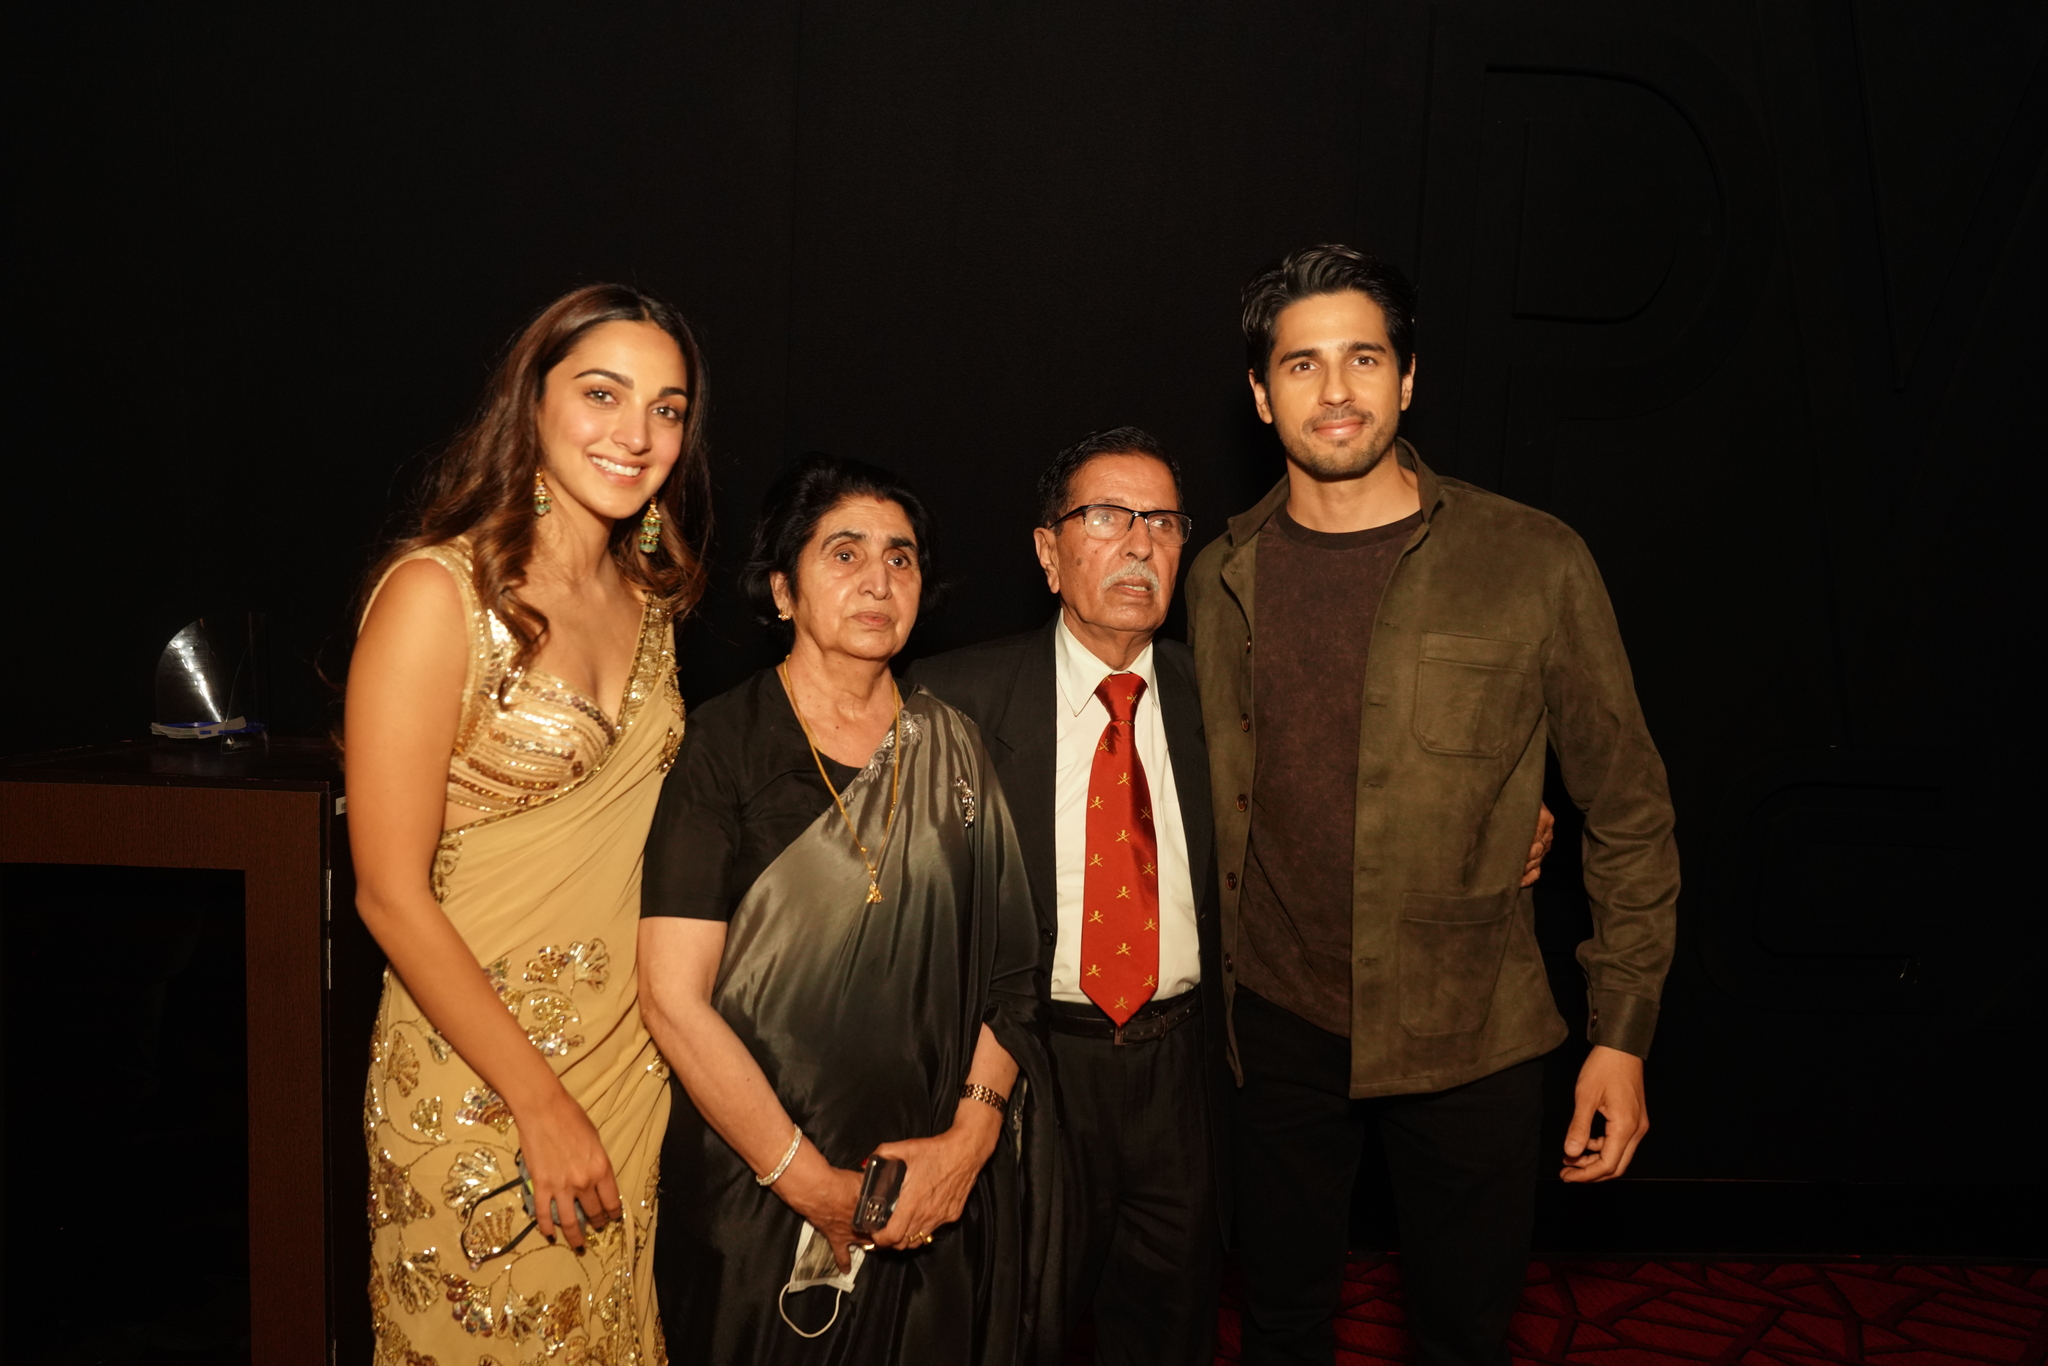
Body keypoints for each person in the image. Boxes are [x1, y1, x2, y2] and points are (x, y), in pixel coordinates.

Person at [908, 429, 1555, 1366]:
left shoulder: (1226, 693)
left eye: (1164, 523)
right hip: (1030, 1071)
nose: (1138, 543)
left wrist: (1504, 822)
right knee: (1009, 1331)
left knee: (1171, 1333)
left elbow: (1355, 788)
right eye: (1106, 517)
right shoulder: (953, 701)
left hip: (1189, 1076)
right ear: (1049, 552)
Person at [1186, 244, 1679, 1366]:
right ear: (1261, 396)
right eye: (1300, 364)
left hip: (1471, 1030)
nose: (1335, 389)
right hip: (1271, 1027)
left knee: (1464, 1333)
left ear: (1407, 379)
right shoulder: (1219, 579)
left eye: (1362, 357)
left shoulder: (1532, 559)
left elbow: (1628, 807)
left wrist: (1623, 1031)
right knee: (1278, 1324)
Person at [347, 283, 712, 1365]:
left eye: (667, 408)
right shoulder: (436, 593)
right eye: (602, 394)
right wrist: (537, 1100)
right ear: (532, 403)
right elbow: (386, 891)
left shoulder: (653, 598)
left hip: (626, 1071)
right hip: (481, 1082)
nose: (635, 433)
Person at [637, 453, 1059, 1365]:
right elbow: (673, 998)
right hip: (763, 1198)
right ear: (783, 590)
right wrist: (814, 1187)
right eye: (845, 553)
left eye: (901, 558)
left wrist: (966, 1144)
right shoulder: (723, 747)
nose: (879, 579)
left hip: (939, 1196)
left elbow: (1015, 976)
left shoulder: (955, 747)